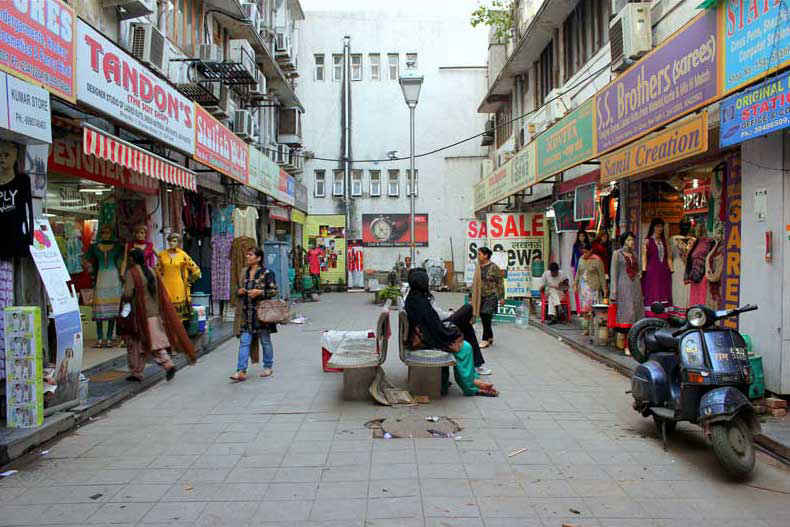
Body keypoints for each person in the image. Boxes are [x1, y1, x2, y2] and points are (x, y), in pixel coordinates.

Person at [405, 269, 498, 396]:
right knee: (465, 347)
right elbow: (433, 329)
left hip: (429, 336)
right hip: (428, 341)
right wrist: (451, 335)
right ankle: (471, 387)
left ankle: (472, 380)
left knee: (464, 332)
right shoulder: (421, 303)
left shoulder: (414, 299)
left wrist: (450, 331)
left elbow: (432, 325)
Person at [119, 249, 196, 382]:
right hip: (154, 313)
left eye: (129, 258)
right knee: (153, 343)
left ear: (132, 259)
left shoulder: (132, 273)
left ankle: (141, 371)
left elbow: (127, 294)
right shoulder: (152, 271)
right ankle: (159, 366)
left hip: (139, 315)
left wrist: (123, 303)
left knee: (136, 344)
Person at [230, 247, 279, 382]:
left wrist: (260, 292)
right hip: (246, 313)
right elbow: (238, 289)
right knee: (244, 342)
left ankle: (268, 366)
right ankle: (241, 370)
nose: (247, 257)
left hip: (262, 314)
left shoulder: (267, 273)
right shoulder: (244, 273)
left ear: (258, 258)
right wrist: (239, 291)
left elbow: (274, 291)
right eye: (247, 254)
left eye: (250, 255)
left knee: (265, 341)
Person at [471, 247, 504, 349]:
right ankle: (490, 336)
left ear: (486, 255)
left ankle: (485, 339)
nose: (478, 256)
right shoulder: (478, 267)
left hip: (491, 295)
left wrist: (501, 297)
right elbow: (475, 282)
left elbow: (500, 283)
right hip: (481, 296)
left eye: (480, 254)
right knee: (484, 316)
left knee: (486, 314)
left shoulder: (494, 267)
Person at [610, 232, 645, 327]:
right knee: (627, 310)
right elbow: (614, 273)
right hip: (623, 285)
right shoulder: (617, 254)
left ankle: (634, 334)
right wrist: (613, 291)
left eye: (632, 240)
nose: (631, 242)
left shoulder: (634, 254)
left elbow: (639, 269)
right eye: (629, 240)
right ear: (624, 241)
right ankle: (624, 335)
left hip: (636, 285)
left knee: (636, 308)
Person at [574, 242, 607, 336]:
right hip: (583, 288)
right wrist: (575, 284)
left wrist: (605, 289)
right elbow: (578, 273)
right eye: (582, 252)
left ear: (591, 251)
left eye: (586, 252)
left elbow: (601, 275)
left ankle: (594, 328)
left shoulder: (597, 260)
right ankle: (586, 329)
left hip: (593, 288)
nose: (584, 254)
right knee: (584, 310)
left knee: (592, 310)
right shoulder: (581, 259)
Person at [641, 217, 673, 305]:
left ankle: (664, 312)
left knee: (664, 291)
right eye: (658, 226)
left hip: (664, 270)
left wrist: (671, 269)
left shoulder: (665, 241)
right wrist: (644, 270)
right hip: (652, 270)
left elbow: (669, 256)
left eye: (661, 226)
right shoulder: (647, 241)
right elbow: (644, 257)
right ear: (653, 227)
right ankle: (652, 312)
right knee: (653, 291)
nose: (660, 229)